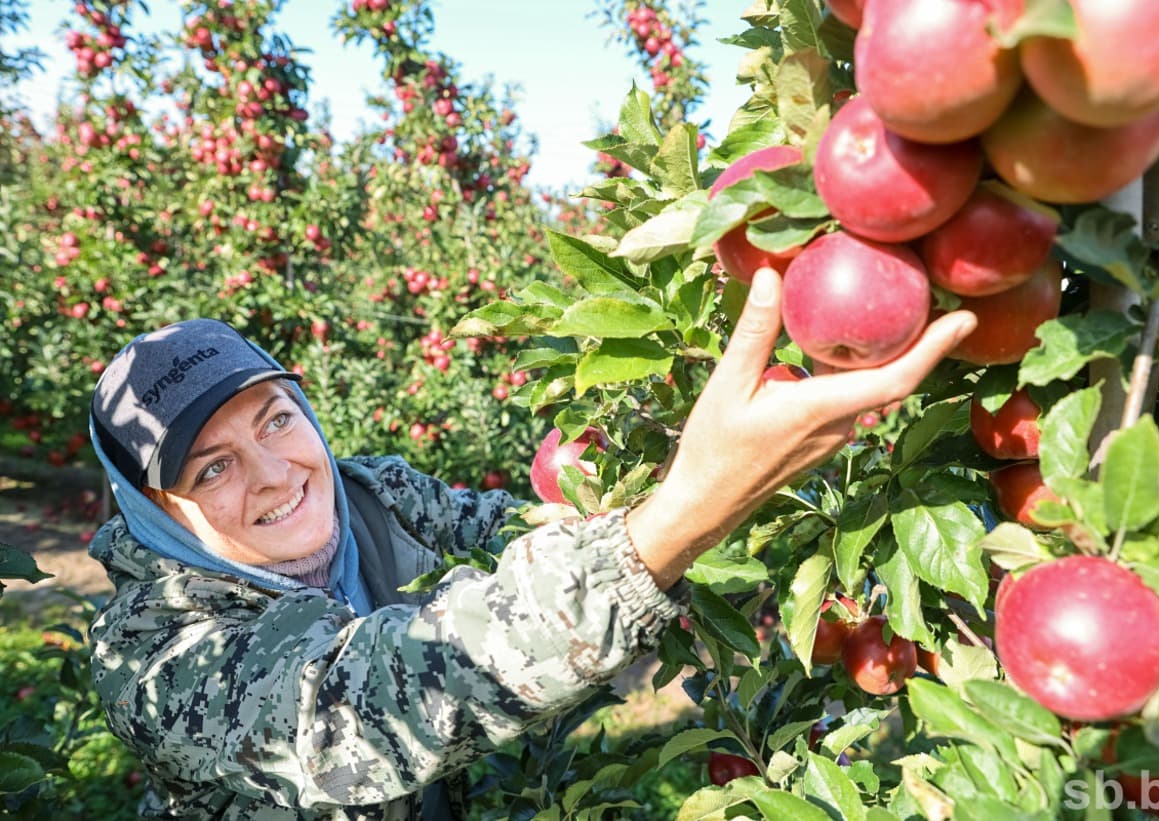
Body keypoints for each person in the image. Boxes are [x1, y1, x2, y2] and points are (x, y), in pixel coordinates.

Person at [86, 267, 976, 819]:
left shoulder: (375, 492)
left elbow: (523, 535)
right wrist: (683, 511)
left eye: (277, 419)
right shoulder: (152, 649)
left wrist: (673, 461)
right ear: (153, 510)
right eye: (211, 470)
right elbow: (362, 707)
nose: (276, 475)